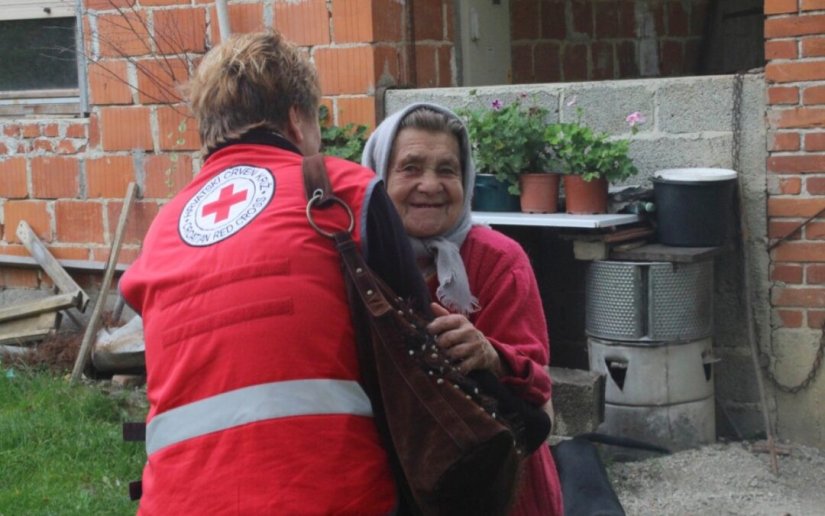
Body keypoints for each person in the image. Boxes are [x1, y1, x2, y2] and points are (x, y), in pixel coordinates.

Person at [119, 31, 429, 514]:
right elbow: (419, 355)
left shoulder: (164, 228)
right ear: (296, 119)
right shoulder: (347, 191)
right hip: (330, 495)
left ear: (210, 130)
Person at [362, 102, 564, 516]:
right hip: (402, 487)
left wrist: (491, 355)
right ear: (379, 177)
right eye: (411, 168)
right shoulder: (361, 267)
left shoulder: (498, 260)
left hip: (501, 489)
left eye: (447, 170)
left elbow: (540, 392)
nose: (431, 185)